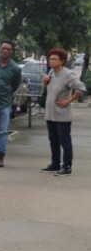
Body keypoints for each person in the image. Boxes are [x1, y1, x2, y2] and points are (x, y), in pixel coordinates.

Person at [40, 49, 86, 177]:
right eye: (50, 59)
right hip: (50, 114)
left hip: (62, 115)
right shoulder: (51, 72)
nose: (51, 61)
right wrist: (45, 82)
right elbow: (49, 90)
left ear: (62, 61)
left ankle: (67, 166)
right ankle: (55, 164)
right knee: (53, 141)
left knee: (64, 142)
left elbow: (81, 88)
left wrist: (69, 101)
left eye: (54, 59)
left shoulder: (68, 75)